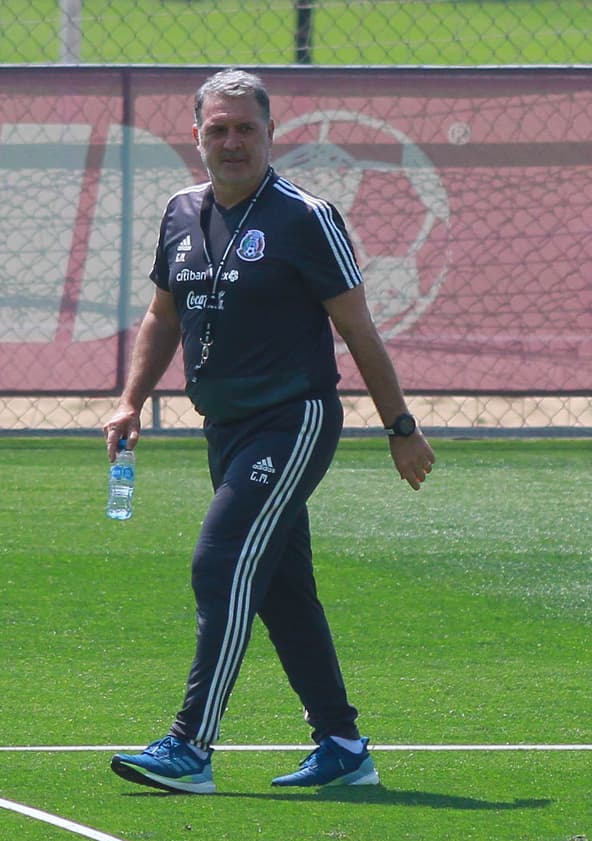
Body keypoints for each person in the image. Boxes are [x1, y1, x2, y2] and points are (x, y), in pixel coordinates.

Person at [102, 68, 436, 795]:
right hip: (225, 428)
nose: (232, 142)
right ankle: (343, 746)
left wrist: (400, 427)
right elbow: (163, 314)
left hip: (293, 419)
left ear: (270, 133)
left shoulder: (305, 217)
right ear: (196, 135)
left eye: (245, 129)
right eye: (218, 129)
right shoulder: (180, 211)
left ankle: (190, 746)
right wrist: (130, 402)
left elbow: (359, 329)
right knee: (282, 587)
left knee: (220, 561)